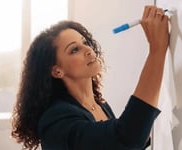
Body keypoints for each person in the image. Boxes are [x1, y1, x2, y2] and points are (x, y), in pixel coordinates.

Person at [11, 5, 169, 150]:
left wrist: (142, 135)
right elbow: (125, 139)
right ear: (57, 71)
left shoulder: (99, 104)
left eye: (85, 42)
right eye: (74, 50)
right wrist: (157, 50)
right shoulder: (55, 119)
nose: (88, 49)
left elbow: (120, 144)